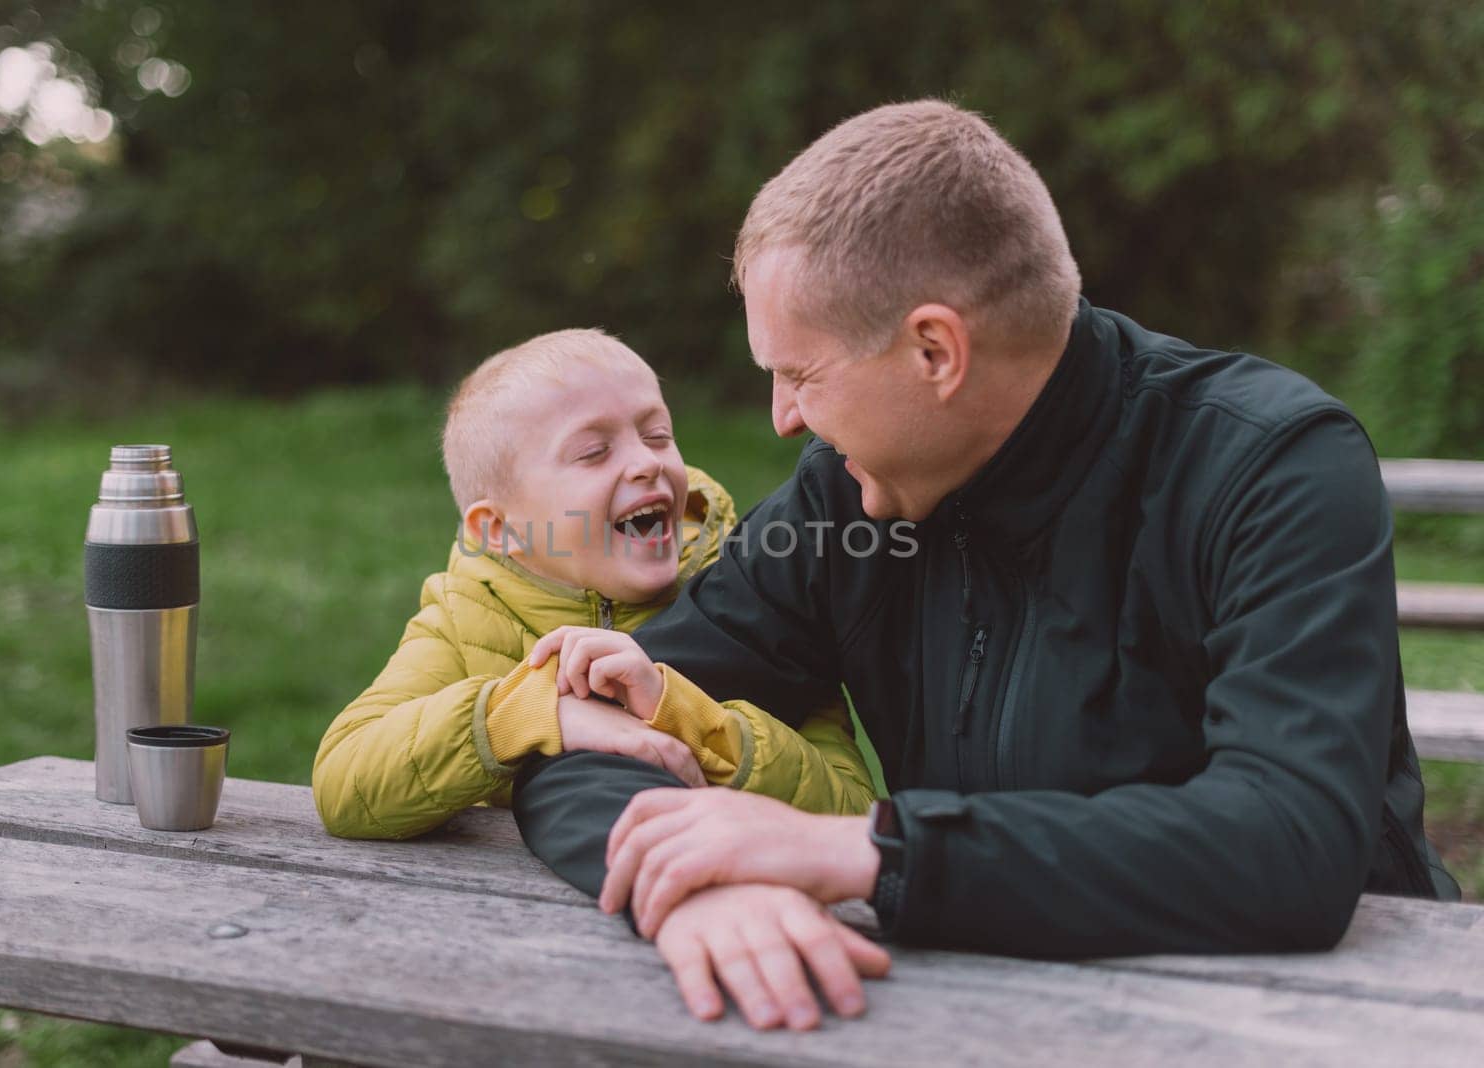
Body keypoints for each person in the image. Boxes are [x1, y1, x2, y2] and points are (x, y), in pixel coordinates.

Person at [511, 101, 1460, 1031]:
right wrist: (689, 889)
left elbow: (1288, 843)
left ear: (935, 350)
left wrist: (869, 853)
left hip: (1324, 1026)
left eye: (800, 374)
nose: (782, 418)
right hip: (966, 1018)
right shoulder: (847, 502)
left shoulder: (1270, 465)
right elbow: (579, 732)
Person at [310, 328, 875, 841]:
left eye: (657, 435)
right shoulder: (467, 615)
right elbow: (344, 783)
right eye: (593, 452)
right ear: (501, 530)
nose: (645, 464)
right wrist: (532, 715)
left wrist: (695, 724)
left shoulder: (754, 593)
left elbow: (852, 813)